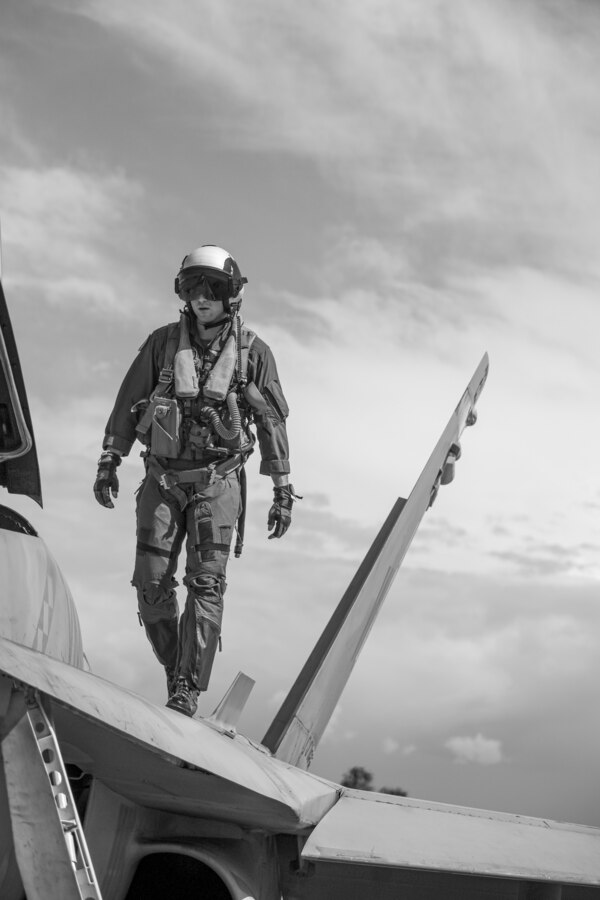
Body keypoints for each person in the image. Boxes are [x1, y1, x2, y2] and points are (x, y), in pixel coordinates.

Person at [93, 245, 297, 717]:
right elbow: (128, 401)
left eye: (214, 288)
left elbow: (272, 424)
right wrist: (110, 459)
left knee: (206, 587)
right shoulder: (163, 344)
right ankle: (174, 666)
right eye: (192, 287)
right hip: (162, 482)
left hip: (217, 486)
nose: (202, 298)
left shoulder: (255, 355)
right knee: (150, 586)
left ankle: (187, 687)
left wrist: (282, 489)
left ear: (233, 294)